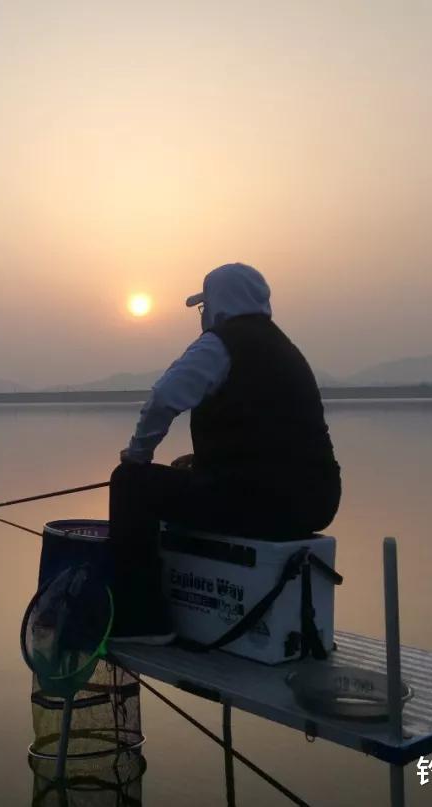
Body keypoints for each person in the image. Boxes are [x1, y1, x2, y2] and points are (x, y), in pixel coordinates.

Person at [109, 263, 341, 644]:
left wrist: (138, 455)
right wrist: (202, 465)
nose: (203, 317)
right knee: (183, 475)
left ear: (217, 304)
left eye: (204, 307)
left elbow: (163, 398)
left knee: (130, 483)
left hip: (261, 504)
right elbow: (266, 438)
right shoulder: (284, 348)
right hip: (316, 502)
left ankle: (143, 619)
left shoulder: (221, 342)